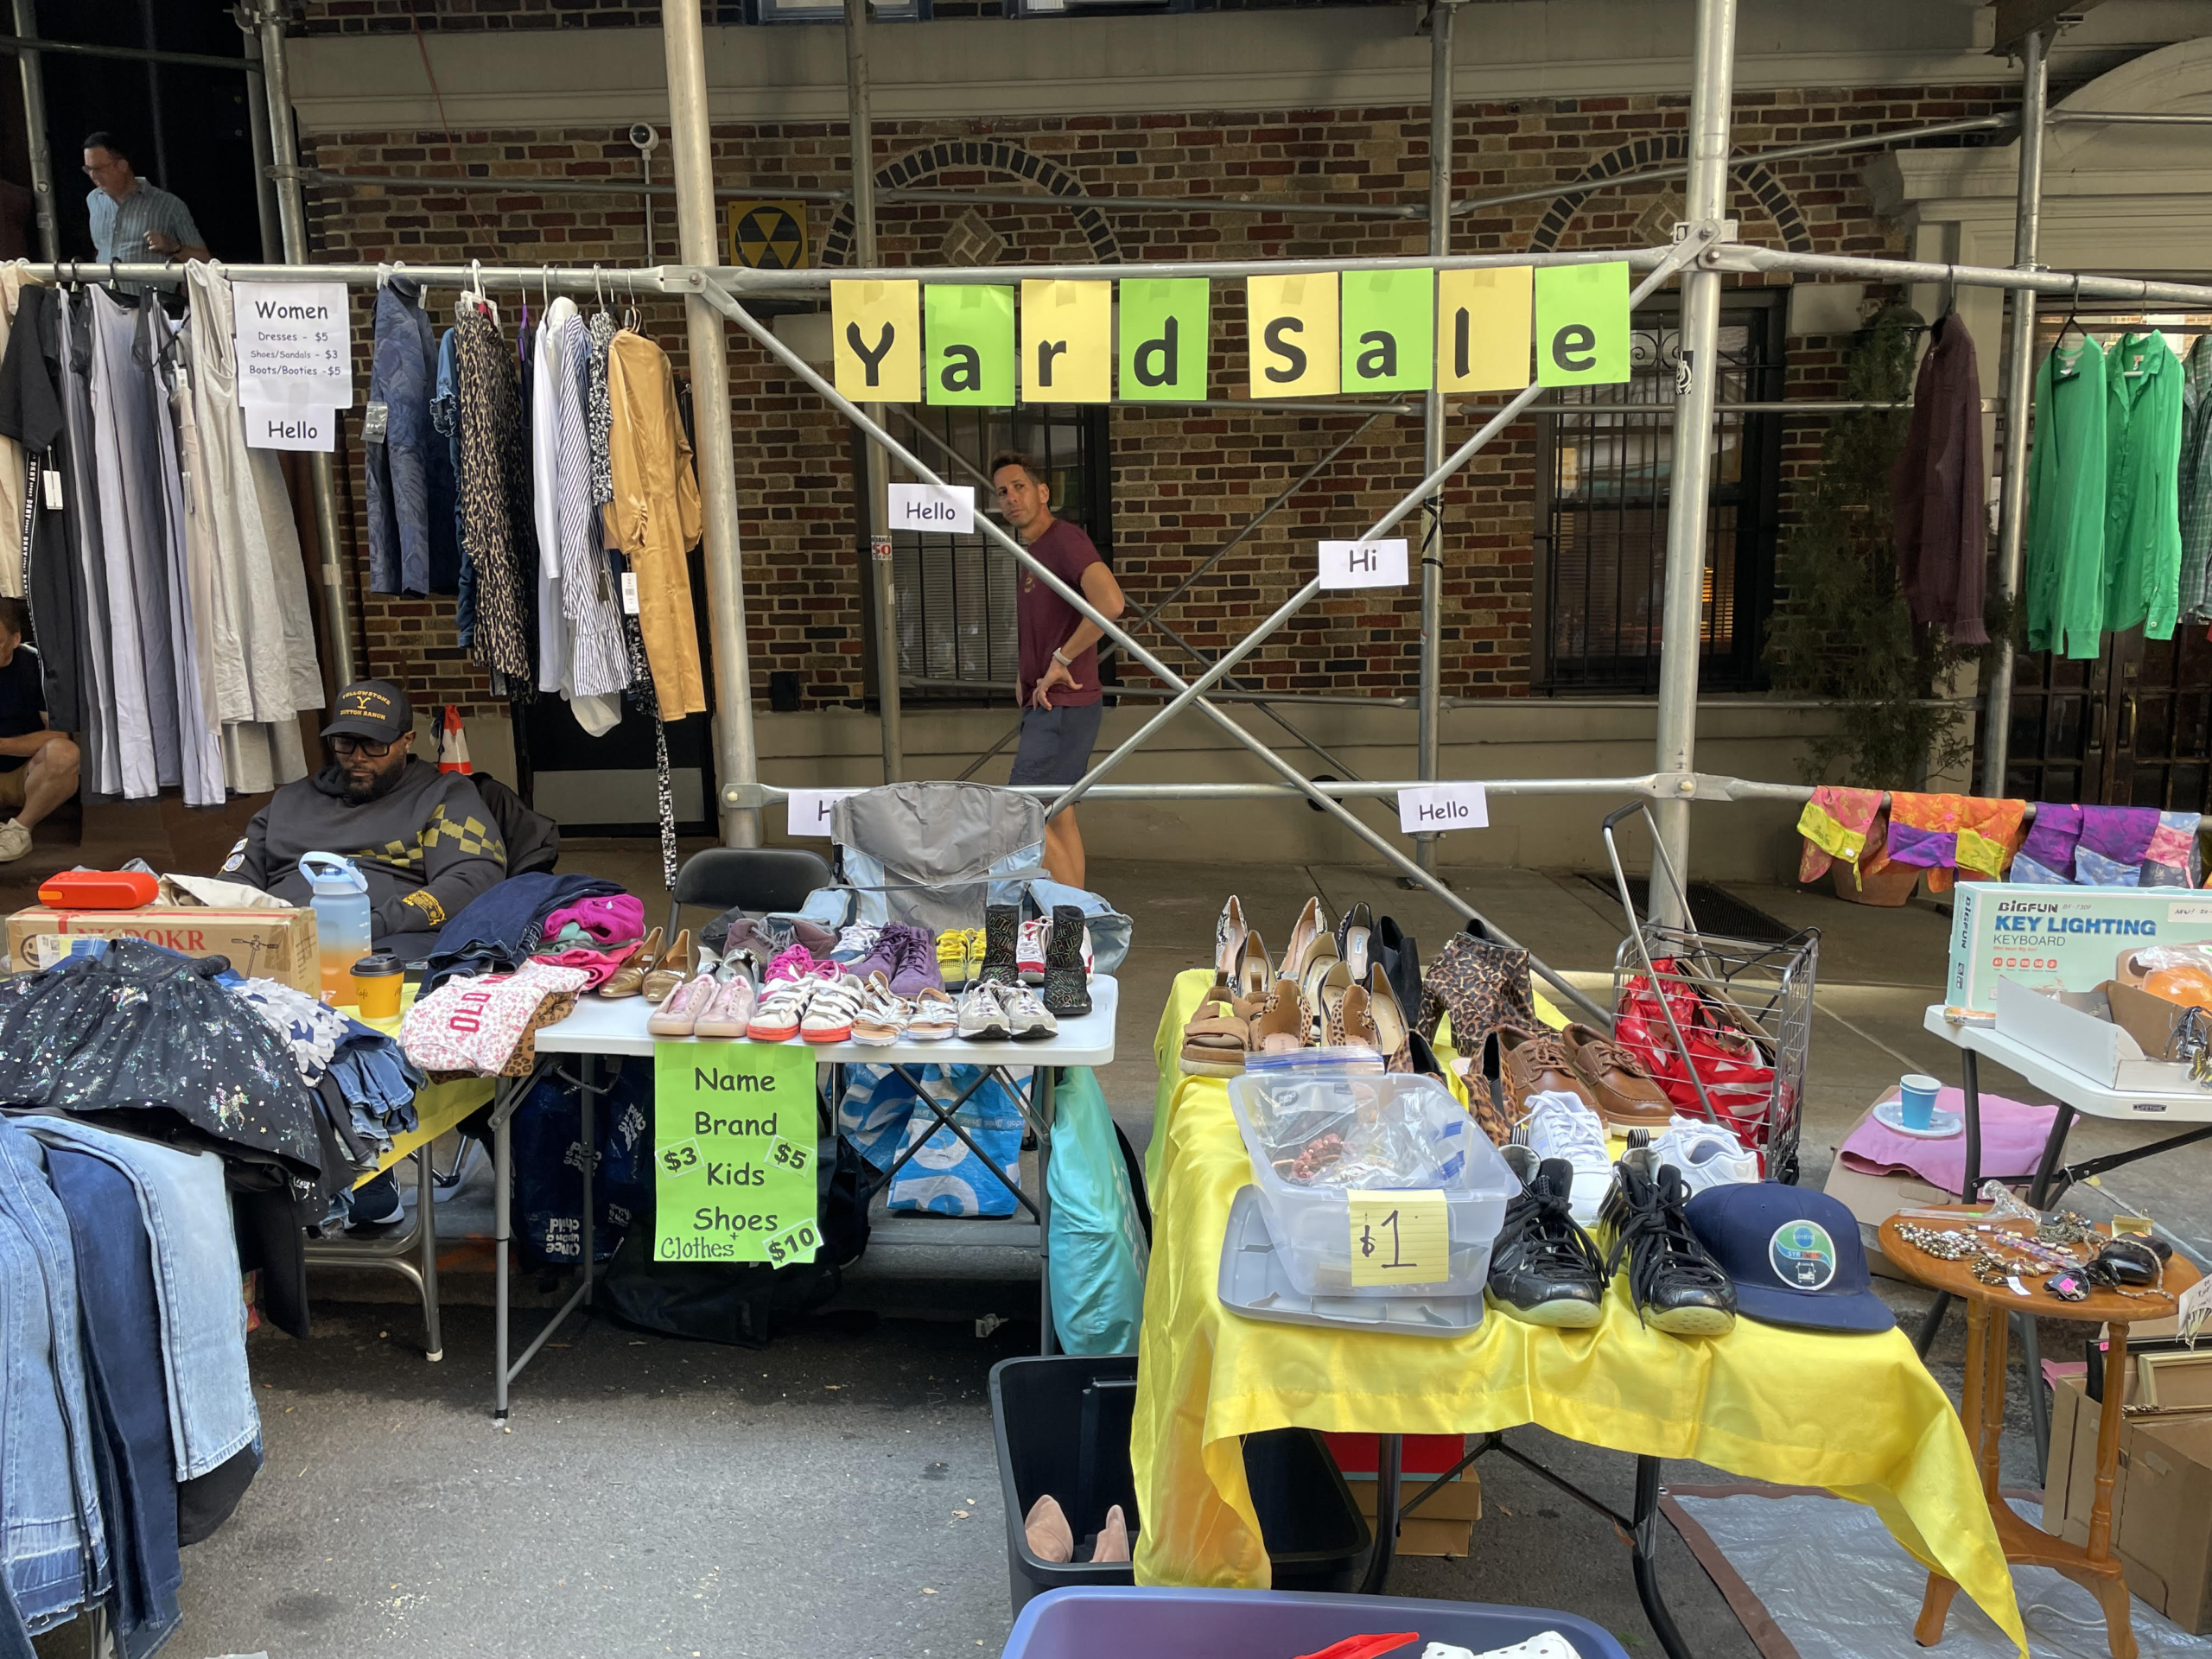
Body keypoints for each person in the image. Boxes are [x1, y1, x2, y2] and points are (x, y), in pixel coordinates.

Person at [220, 679, 509, 952]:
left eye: (374, 744)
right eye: (345, 743)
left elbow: (472, 878)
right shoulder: (290, 801)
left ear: (407, 741)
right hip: (276, 945)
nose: (358, 757)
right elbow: (232, 884)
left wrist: (370, 924)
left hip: (389, 944)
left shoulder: (441, 796)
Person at [992, 449, 1124, 890]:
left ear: (1043, 492)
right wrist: (1027, 671)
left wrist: (1061, 660)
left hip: (1064, 703)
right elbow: (1048, 621)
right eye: (1002, 492)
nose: (1011, 498)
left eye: (1019, 487)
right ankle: (1076, 914)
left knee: (1021, 812)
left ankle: (1073, 918)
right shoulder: (1035, 551)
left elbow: (1110, 604)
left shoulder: (1064, 540)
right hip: (1051, 701)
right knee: (1059, 813)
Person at [0, 597, 80, 864]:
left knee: (65, 754)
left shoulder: (36, 667)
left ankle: (19, 830)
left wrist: (3, 745)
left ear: (15, 639)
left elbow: (59, 734)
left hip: (27, 774)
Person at [81, 131, 208, 268]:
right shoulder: (94, 200)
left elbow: (205, 260)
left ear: (122, 165)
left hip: (148, 282)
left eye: (98, 169)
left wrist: (174, 248)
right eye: (88, 169)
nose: (92, 176)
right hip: (104, 282)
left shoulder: (169, 205)